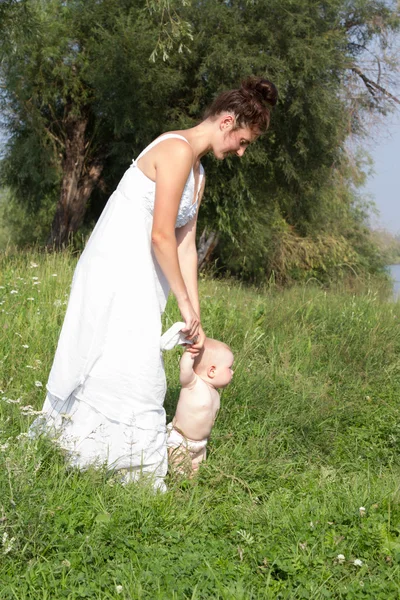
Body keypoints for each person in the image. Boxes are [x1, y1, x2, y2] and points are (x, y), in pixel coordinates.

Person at [32, 76, 278, 490]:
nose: (240, 150)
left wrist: (194, 312)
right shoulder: (176, 150)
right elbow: (160, 234)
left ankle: (107, 459)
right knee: (124, 355)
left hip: (143, 272)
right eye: (243, 140)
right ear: (227, 121)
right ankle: (101, 454)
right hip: (116, 265)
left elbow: (185, 247)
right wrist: (180, 299)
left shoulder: (198, 174)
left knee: (127, 352)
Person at [167, 337, 234, 477]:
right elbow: (185, 368)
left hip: (200, 444)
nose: (232, 372)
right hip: (181, 443)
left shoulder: (215, 394)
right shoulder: (193, 384)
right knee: (180, 473)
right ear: (212, 371)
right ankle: (177, 492)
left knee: (196, 473)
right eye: (229, 368)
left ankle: (191, 491)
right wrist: (191, 351)